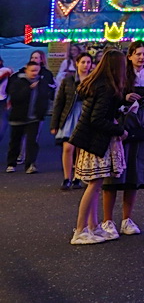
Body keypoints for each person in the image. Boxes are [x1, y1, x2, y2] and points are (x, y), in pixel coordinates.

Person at [69, 50, 128, 244]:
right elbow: (97, 119)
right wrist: (120, 130)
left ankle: (92, 227)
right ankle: (80, 230)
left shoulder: (96, 83)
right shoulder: (107, 88)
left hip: (88, 140)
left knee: (94, 184)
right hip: (96, 141)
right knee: (94, 185)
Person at [102, 40, 144, 235]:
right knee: (114, 173)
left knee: (134, 172)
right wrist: (124, 98)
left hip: (141, 123)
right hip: (121, 124)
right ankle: (107, 220)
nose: (141, 57)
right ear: (129, 56)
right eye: (138, 54)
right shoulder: (121, 76)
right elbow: (110, 98)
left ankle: (127, 219)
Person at [53, 52, 95, 189]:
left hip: (85, 115)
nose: (85, 65)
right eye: (83, 62)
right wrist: (54, 123)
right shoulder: (68, 80)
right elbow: (59, 102)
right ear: (77, 63)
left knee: (80, 148)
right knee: (68, 147)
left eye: (88, 62)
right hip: (70, 115)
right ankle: (66, 178)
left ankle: (77, 176)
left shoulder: (92, 80)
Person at [6, 56, 54, 173]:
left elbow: (46, 97)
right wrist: (28, 89)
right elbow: (15, 97)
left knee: (32, 142)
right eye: (32, 70)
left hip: (34, 117)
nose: (34, 73)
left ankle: (30, 164)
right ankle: (11, 163)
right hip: (18, 117)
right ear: (26, 70)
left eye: (36, 71)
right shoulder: (18, 81)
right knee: (15, 141)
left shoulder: (42, 82)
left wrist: (43, 111)